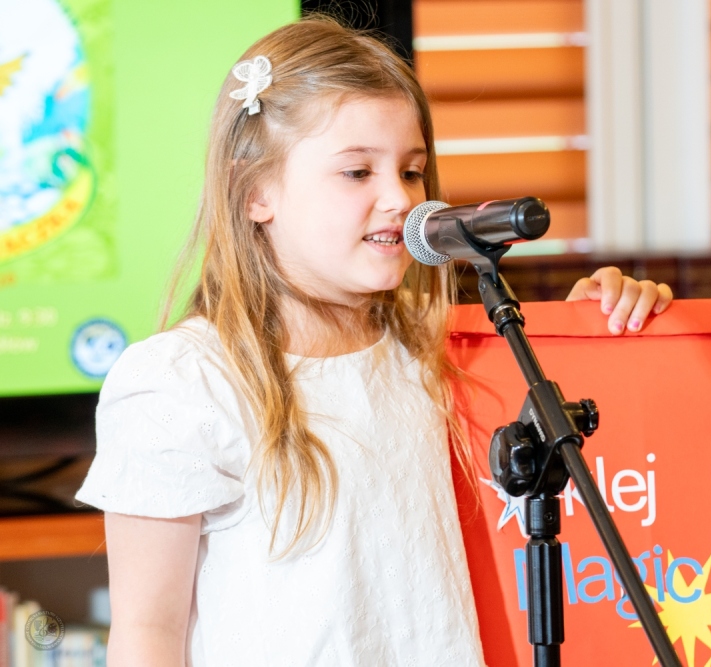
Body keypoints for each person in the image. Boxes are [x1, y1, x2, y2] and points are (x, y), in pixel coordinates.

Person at [74, 15, 673, 667]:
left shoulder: (434, 347)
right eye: (358, 172)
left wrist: (598, 328)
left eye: (412, 172)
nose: (402, 199)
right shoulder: (179, 382)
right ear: (255, 192)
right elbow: (148, 633)